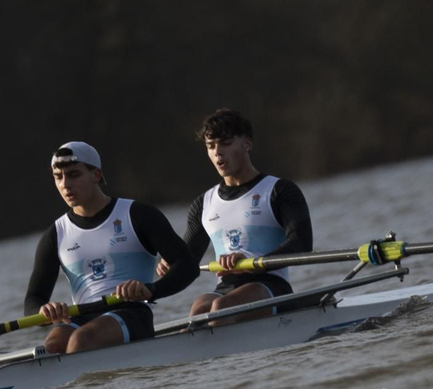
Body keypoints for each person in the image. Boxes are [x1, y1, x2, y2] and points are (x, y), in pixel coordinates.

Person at [23, 142, 200, 354]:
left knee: (81, 341)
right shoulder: (55, 234)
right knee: (52, 347)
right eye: (58, 177)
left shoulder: (137, 215)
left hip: (132, 311)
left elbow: (188, 265)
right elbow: (32, 301)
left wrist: (151, 290)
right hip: (82, 315)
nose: (65, 184)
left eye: (74, 175)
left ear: (96, 175)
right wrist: (45, 311)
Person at [170, 108, 313, 321]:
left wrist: (253, 261)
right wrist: (170, 264)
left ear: (247, 143)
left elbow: (301, 245)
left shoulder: (279, 190)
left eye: (225, 143)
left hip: (270, 285)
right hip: (225, 288)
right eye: (211, 146)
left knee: (220, 306)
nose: (218, 153)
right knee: (200, 307)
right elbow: (187, 263)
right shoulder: (204, 203)